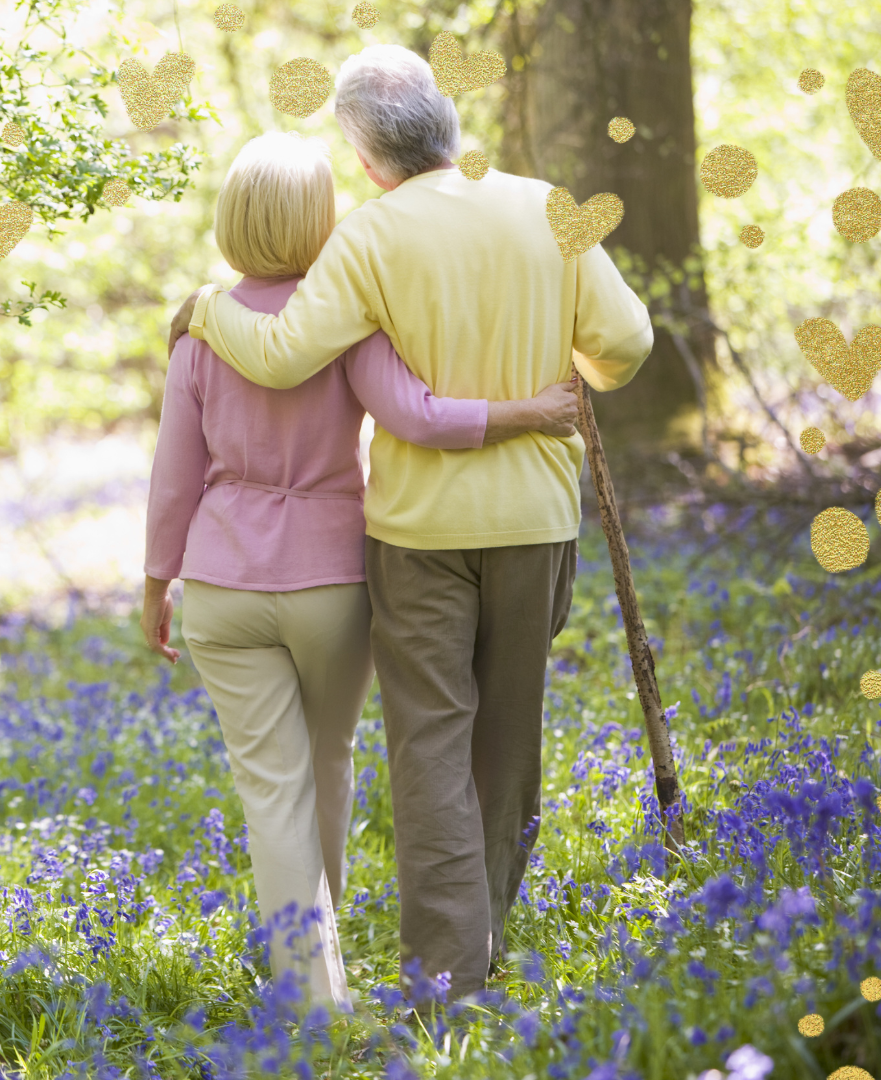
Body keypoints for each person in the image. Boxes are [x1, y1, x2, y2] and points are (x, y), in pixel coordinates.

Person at [167, 46, 654, 1004]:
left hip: (418, 532)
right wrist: (566, 380)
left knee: (429, 742)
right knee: (509, 738)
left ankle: (444, 977)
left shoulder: (370, 236)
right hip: (534, 520)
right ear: (450, 124)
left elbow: (279, 356)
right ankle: (488, 943)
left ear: (364, 158)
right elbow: (628, 345)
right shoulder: (546, 206)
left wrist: (202, 313)